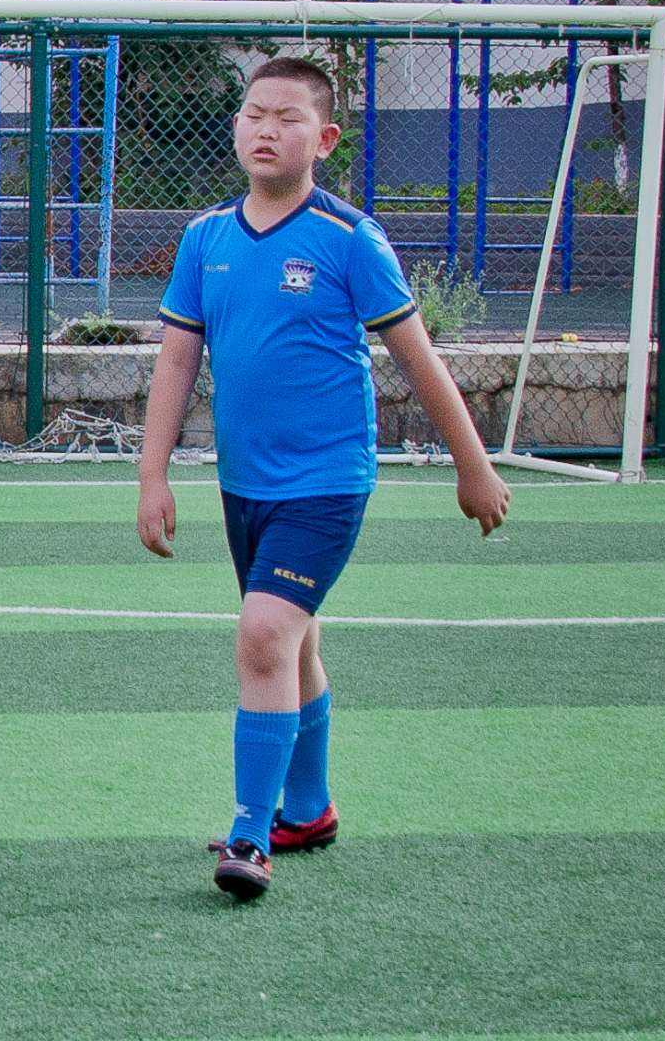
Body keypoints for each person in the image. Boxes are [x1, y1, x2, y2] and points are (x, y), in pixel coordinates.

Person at [135, 55, 509, 902]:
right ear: (235, 127)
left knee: (263, 635)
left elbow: (418, 360)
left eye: (289, 118)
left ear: (325, 139)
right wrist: (153, 474)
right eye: (254, 114)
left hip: (328, 481)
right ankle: (307, 809)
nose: (267, 130)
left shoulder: (349, 239)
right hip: (245, 485)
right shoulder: (206, 239)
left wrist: (473, 466)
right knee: (293, 644)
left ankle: (249, 835)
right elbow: (177, 360)